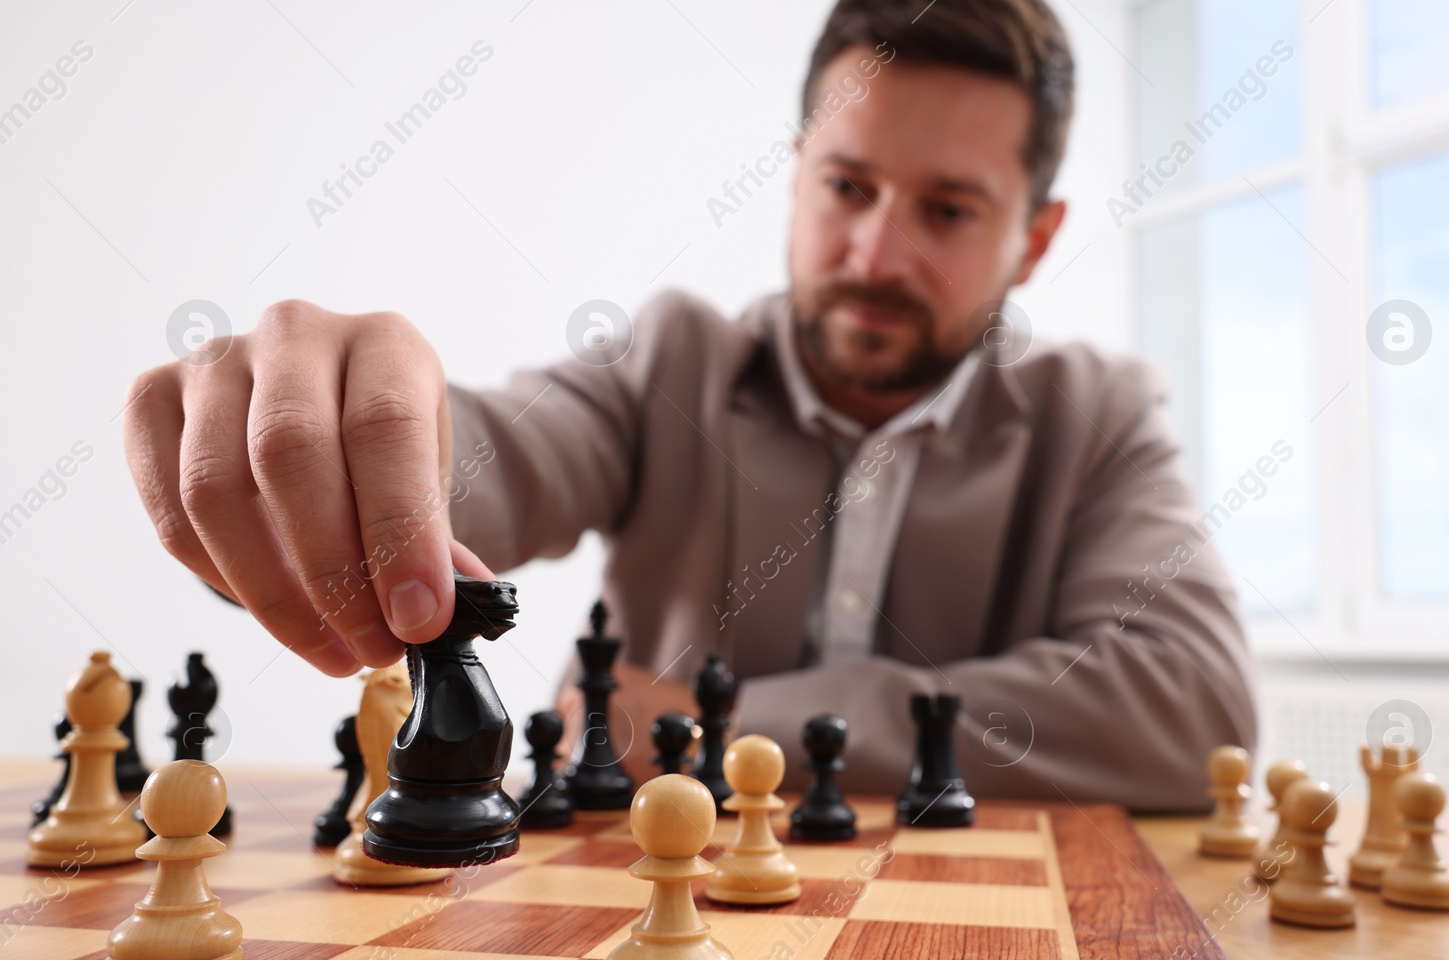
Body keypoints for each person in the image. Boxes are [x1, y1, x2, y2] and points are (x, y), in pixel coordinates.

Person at [122, 0, 1256, 810]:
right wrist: (345, 432)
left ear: (1035, 239)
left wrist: (714, 727)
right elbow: (485, 461)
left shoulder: (1098, 416)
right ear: (798, 166)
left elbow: (1191, 703)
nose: (874, 250)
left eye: (949, 210)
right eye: (848, 186)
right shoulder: (667, 367)